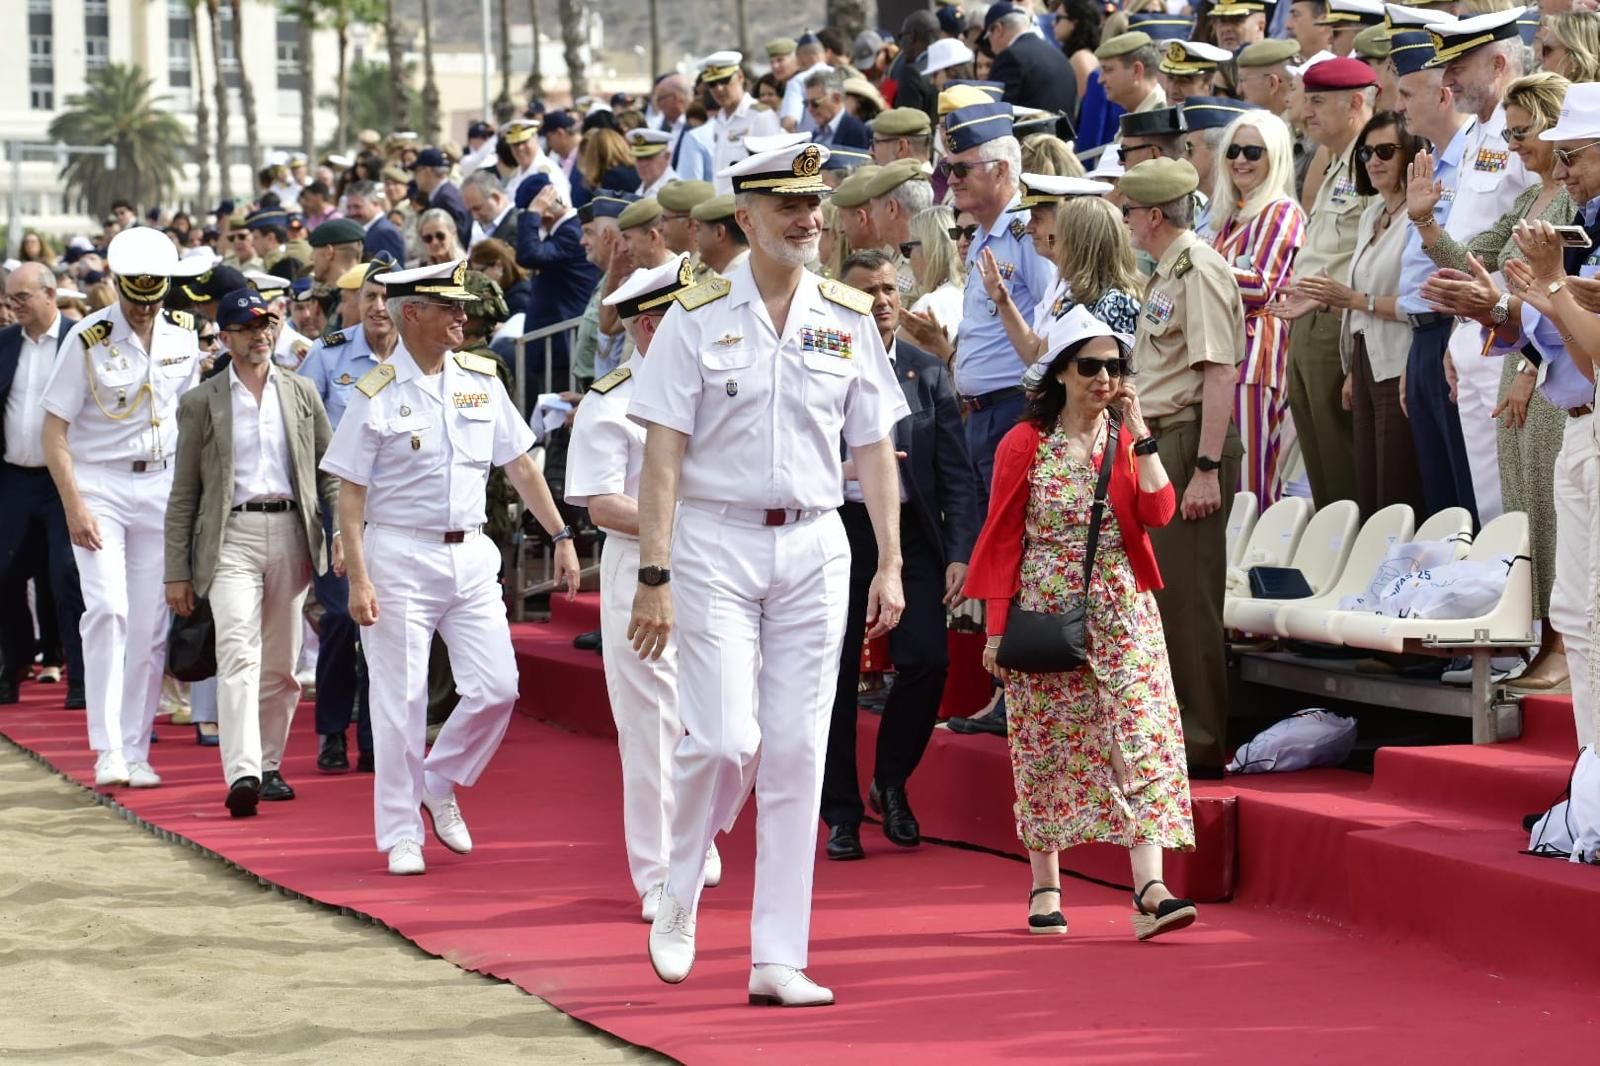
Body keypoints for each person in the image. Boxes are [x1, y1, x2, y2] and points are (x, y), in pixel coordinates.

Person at [627, 142, 909, 1007]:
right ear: (743, 219)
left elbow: (874, 449)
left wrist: (890, 560)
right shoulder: (695, 315)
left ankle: (777, 956)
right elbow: (664, 456)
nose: (807, 218)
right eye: (787, 204)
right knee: (722, 738)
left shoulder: (848, 314)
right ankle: (678, 884)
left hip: (817, 544)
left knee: (794, 754)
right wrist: (654, 570)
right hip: (714, 540)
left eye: (814, 203)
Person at [320, 259, 580, 875]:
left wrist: (561, 535)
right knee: (399, 701)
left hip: (470, 553)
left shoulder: (480, 379)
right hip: (398, 555)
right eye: (450, 308)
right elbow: (350, 497)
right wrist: (357, 577)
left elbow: (521, 465)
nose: (463, 317)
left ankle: (440, 779)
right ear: (414, 314)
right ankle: (401, 832)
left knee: (497, 688)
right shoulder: (376, 393)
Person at [963, 306, 1195, 937]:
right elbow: (1003, 538)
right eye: (1090, 366)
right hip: (1045, 601)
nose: (1104, 378)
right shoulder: (1023, 442)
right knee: (1046, 741)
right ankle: (1045, 883)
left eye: (1114, 367)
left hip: (1123, 605)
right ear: (1061, 373)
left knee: (1140, 733)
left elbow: (1160, 511)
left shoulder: (1124, 440)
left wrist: (1142, 433)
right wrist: (995, 630)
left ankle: (1149, 884)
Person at [565, 254, 723, 921]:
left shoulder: (713, 388)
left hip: (718, 564)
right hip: (643, 566)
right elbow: (601, 503)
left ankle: (700, 829)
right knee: (654, 723)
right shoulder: (613, 402)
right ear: (652, 327)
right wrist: (679, 524)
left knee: (718, 716)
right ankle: (658, 873)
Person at [1413, 72, 1574, 691]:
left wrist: (1531, 368)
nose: (1512, 145)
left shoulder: (1569, 205)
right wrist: (1428, 226)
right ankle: (1542, 640)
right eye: (1507, 134)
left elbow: (1560, 298)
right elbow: (1472, 263)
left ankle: (1563, 644)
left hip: (1553, 368)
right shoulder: (1527, 201)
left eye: (1523, 132)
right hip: (1515, 352)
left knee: (1554, 508)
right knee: (1524, 505)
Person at [821, 250, 980, 861]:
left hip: (911, 533)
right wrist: (851, 469)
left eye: (890, 288)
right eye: (868, 291)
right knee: (832, 676)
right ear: (844, 300)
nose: (883, 301)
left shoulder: (926, 371)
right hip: (839, 529)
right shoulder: (822, 366)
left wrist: (959, 552)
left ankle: (890, 782)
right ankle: (838, 814)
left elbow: (957, 473)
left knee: (927, 660)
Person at [163, 289, 337, 817]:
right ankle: (242, 772)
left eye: (267, 324)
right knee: (238, 652)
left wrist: (346, 537)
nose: (260, 334)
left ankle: (268, 763)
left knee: (282, 666)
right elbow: (184, 493)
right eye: (247, 327)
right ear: (225, 338)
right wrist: (177, 572)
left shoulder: (303, 392)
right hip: (231, 537)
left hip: (292, 533)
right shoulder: (200, 402)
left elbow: (331, 473)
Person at [41, 228, 204, 789]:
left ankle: (136, 749)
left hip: (162, 488)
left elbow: (193, 422)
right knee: (108, 611)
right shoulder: (89, 338)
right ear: (117, 289)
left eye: (153, 299)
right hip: (101, 486)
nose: (143, 311)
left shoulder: (183, 337)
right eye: (135, 299)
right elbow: (53, 431)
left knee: (151, 624)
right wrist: (74, 505)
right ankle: (106, 745)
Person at [1122, 157, 1246, 778]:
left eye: (1128, 213)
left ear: (1151, 216)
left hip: (1190, 438)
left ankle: (1199, 745)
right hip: (1163, 438)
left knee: (1189, 603)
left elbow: (1218, 371)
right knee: (1162, 599)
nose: (1125, 223)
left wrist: (1204, 467)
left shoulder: (1198, 270)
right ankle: (1175, 736)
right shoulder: (1170, 271)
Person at [1431, 7, 1538, 526]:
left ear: (1498, 64)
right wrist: (1457, 335)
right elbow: (1471, 241)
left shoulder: (1526, 131)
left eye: (1458, 67)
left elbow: (1535, 239)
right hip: (1473, 332)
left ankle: (1528, 605)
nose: (1446, 80)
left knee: (1519, 495)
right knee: (1488, 497)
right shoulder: (1475, 132)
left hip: (1513, 333)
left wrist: (1529, 355)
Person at [1295, 111, 1424, 518]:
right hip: (1366, 362)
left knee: (1396, 484)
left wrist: (1353, 299)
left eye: (1386, 151)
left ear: (1411, 155)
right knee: (1366, 481)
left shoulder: (1417, 221)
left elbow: (1417, 303)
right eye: (1367, 152)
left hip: (1400, 364)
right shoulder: (1371, 215)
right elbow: (1356, 298)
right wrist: (1352, 368)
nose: (1374, 160)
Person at [296, 263, 395, 773]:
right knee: (340, 618)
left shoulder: (415, 355)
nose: (379, 307)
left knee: (386, 625)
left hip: (399, 510)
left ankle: (376, 738)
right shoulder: (328, 354)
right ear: (356, 301)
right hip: (338, 508)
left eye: (387, 297)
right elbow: (301, 428)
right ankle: (333, 729)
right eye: (371, 297)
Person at [942, 101, 1057, 493]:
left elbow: (1053, 326)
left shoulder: (1026, 233)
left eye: (962, 169)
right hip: (982, 416)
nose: (952, 179)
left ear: (1002, 169)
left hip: (1014, 410)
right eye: (947, 169)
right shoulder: (983, 236)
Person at [1286, 55, 1374, 509]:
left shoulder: (1372, 159)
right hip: (1309, 318)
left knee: (1342, 460)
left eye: (1318, 101)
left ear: (1356, 102)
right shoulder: (1339, 162)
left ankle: (1351, 557)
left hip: (1337, 320)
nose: (1306, 112)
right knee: (1320, 459)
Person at [1206, 111, 1305, 506]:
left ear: (1276, 157)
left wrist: (1199, 268)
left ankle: (1254, 567)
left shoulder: (1280, 211)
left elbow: (1263, 285)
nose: (1240, 160)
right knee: (1226, 473)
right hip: (1224, 356)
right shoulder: (1231, 216)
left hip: (1256, 358)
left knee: (1251, 480)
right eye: (1233, 151)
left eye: (1253, 151)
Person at [0, 262, 86, 710]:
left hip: (65, 480)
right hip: (14, 477)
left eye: (22, 297)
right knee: (6, 574)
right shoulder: (4, 343)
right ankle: (11, 667)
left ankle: (80, 678)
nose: (13, 307)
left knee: (67, 575)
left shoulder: (81, 340)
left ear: (50, 294)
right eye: (10, 298)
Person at [986, 4, 1078, 138]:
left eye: (988, 36)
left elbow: (997, 117)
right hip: (1061, 148)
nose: (991, 46)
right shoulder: (1057, 54)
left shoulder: (1010, 58)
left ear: (999, 29)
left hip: (1031, 150)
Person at [701, 51, 783, 189]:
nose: (719, 89)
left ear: (740, 77)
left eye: (724, 80)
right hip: (721, 204)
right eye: (712, 83)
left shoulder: (760, 116)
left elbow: (773, 169)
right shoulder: (719, 120)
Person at [902, 205, 966, 351]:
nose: (908, 258)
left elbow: (892, 365)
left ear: (928, 247)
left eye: (908, 248)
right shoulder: (969, 295)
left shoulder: (929, 305)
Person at [343, 182, 408, 267]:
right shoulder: (369, 229)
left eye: (357, 207)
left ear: (376, 203)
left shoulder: (385, 232)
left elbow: (392, 272)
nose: (352, 212)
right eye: (349, 207)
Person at [805, 70, 872, 149]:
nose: (810, 109)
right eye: (806, 103)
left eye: (815, 103)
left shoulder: (855, 132)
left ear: (836, 98)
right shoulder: (817, 133)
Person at [690, 194, 749, 275]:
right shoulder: (754, 270)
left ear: (719, 232)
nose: (695, 238)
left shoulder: (738, 278)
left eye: (698, 229)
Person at [461, 171, 520, 248]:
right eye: (470, 211)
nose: (475, 217)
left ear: (496, 198)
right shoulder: (484, 225)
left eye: (477, 208)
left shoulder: (518, 226)